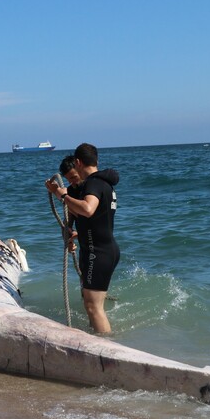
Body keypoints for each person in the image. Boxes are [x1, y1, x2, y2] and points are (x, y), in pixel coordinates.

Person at [45, 143, 119, 334]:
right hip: (98, 250)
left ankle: (107, 350)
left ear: (78, 162)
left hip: (99, 252)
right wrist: (71, 234)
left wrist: (62, 196)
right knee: (90, 304)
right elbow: (84, 219)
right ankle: (96, 339)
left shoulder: (94, 183)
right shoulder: (100, 184)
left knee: (94, 308)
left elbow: (87, 209)